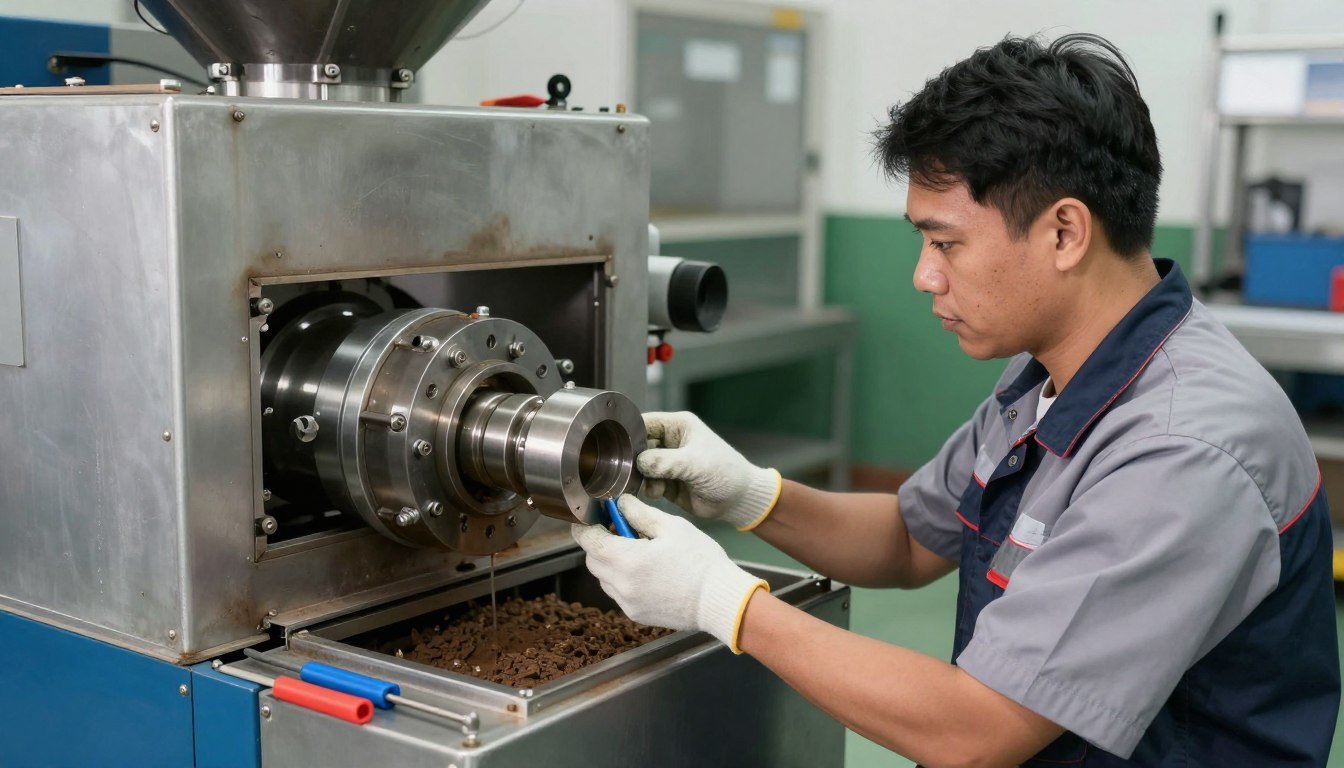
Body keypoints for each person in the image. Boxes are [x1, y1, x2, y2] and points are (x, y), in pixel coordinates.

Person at [573, 33, 1341, 766]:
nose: (923, 276)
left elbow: (974, 730)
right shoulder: (1051, 371)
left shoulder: (1183, 448)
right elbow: (912, 538)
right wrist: (750, 495)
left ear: (1065, 232)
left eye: (946, 243)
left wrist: (723, 601)